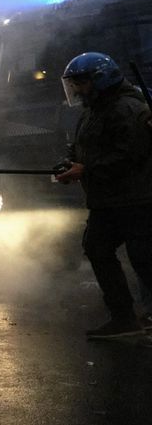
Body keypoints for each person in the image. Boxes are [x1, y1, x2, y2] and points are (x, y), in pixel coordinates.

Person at [55, 52, 152, 338]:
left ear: (100, 79)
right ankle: (124, 318)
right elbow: (81, 146)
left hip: (137, 199)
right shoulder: (95, 109)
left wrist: (85, 169)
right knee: (97, 249)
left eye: (80, 83)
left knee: (144, 260)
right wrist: (69, 163)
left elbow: (130, 155)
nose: (76, 90)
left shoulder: (127, 108)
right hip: (107, 201)